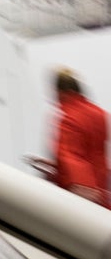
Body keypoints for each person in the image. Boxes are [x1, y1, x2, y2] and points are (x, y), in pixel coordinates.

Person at [50, 67, 109, 208]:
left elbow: (70, 154)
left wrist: (82, 183)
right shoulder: (99, 113)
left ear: (62, 93)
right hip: (101, 184)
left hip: (80, 193)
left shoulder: (69, 118)